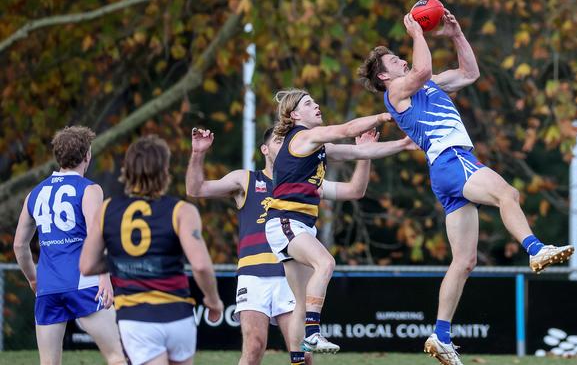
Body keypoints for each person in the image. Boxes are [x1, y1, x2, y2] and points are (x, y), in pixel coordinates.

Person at [357, 10, 575, 365]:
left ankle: (441, 335)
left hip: (445, 171)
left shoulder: (426, 85)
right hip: (452, 159)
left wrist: (456, 34)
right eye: (394, 60)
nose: (401, 60)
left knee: (464, 261)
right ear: (384, 75)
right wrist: (417, 33)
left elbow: (470, 73)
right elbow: (422, 70)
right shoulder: (396, 89)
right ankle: (535, 249)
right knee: (508, 194)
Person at [186, 126, 387, 365]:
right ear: (265, 149)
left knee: (303, 355)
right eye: (278, 141)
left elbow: (354, 191)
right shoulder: (247, 179)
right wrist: (198, 153)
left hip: (289, 276)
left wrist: (363, 153)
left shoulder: (306, 182)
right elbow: (196, 189)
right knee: (253, 348)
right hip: (254, 275)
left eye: (288, 141)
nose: (285, 145)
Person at [267, 89, 418, 365]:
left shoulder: (317, 147)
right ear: (294, 115)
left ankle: (298, 361)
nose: (317, 105)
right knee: (325, 263)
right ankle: (313, 332)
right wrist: (385, 115)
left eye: (315, 100)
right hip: (286, 220)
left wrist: (404, 145)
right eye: (308, 103)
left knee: (300, 303)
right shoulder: (303, 136)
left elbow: (360, 151)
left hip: (296, 224)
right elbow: (347, 129)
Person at [79, 135, 224, 365]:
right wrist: (213, 301)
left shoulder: (107, 209)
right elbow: (201, 265)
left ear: (126, 169)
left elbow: (86, 266)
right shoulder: (182, 210)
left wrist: (121, 261)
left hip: (137, 319)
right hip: (178, 314)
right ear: (165, 170)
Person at [12, 126, 126, 365]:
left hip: (48, 288)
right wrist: (104, 277)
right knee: (118, 357)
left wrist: (34, 279)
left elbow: (19, 245)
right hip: (84, 283)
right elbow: (97, 234)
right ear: (87, 156)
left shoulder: (36, 193)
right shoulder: (89, 189)